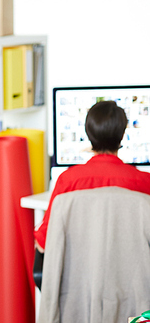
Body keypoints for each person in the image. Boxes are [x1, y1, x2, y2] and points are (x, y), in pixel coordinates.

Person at [35, 99, 150, 251]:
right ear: (122, 135)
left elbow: (44, 243)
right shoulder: (144, 182)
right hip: (133, 274)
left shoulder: (68, 180)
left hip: (79, 274)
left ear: (88, 133)